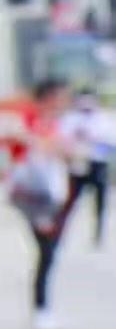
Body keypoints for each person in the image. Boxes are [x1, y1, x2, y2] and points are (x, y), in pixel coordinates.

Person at [5, 79, 74, 329]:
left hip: (51, 194)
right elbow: (22, 143)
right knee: (46, 251)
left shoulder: (53, 122)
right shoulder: (28, 117)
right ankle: (41, 310)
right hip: (30, 195)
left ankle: (42, 309)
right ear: (49, 96)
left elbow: (64, 151)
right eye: (62, 96)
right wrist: (47, 142)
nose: (65, 101)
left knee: (49, 253)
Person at [58, 88, 110, 248]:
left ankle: (98, 234)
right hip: (78, 162)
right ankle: (59, 232)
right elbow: (61, 138)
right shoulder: (70, 118)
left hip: (97, 162)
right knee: (70, 201)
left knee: (100, 201)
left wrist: (94, 138)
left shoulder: (104, 119)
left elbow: (111, 141)